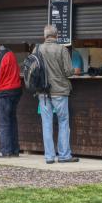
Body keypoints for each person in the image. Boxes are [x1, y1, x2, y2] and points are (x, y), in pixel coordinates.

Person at [36, 25, 81, 164]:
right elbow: (68, 72)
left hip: (42, 92)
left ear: (45, 36)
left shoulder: (37, 49)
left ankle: (49, 157)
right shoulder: (62, 49)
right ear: (57, 36)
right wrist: (75, 70)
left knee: (47, 124)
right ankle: (64, 155)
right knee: (63, 122)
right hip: (59, 91)